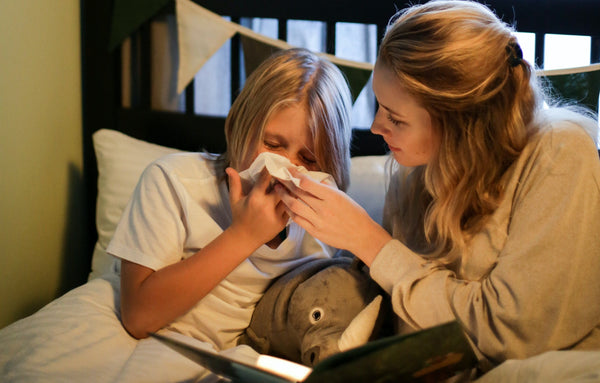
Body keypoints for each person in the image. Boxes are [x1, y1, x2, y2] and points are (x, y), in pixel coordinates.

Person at [275, 0, 600, 371]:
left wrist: (372, 244)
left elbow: (517, 338)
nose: (377, 128)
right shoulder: (415, 174)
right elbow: (405, 324)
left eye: (396, 119)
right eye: (379, 106)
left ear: (461, 126)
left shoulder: (560, 153)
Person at [107, 47, 353, 353]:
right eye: (273, 144)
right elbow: (138, 316)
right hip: (158, 346)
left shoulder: (326, 224)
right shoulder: (173, 182)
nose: (287, 168)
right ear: (238, 125)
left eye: (309, 159)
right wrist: (243, 236)